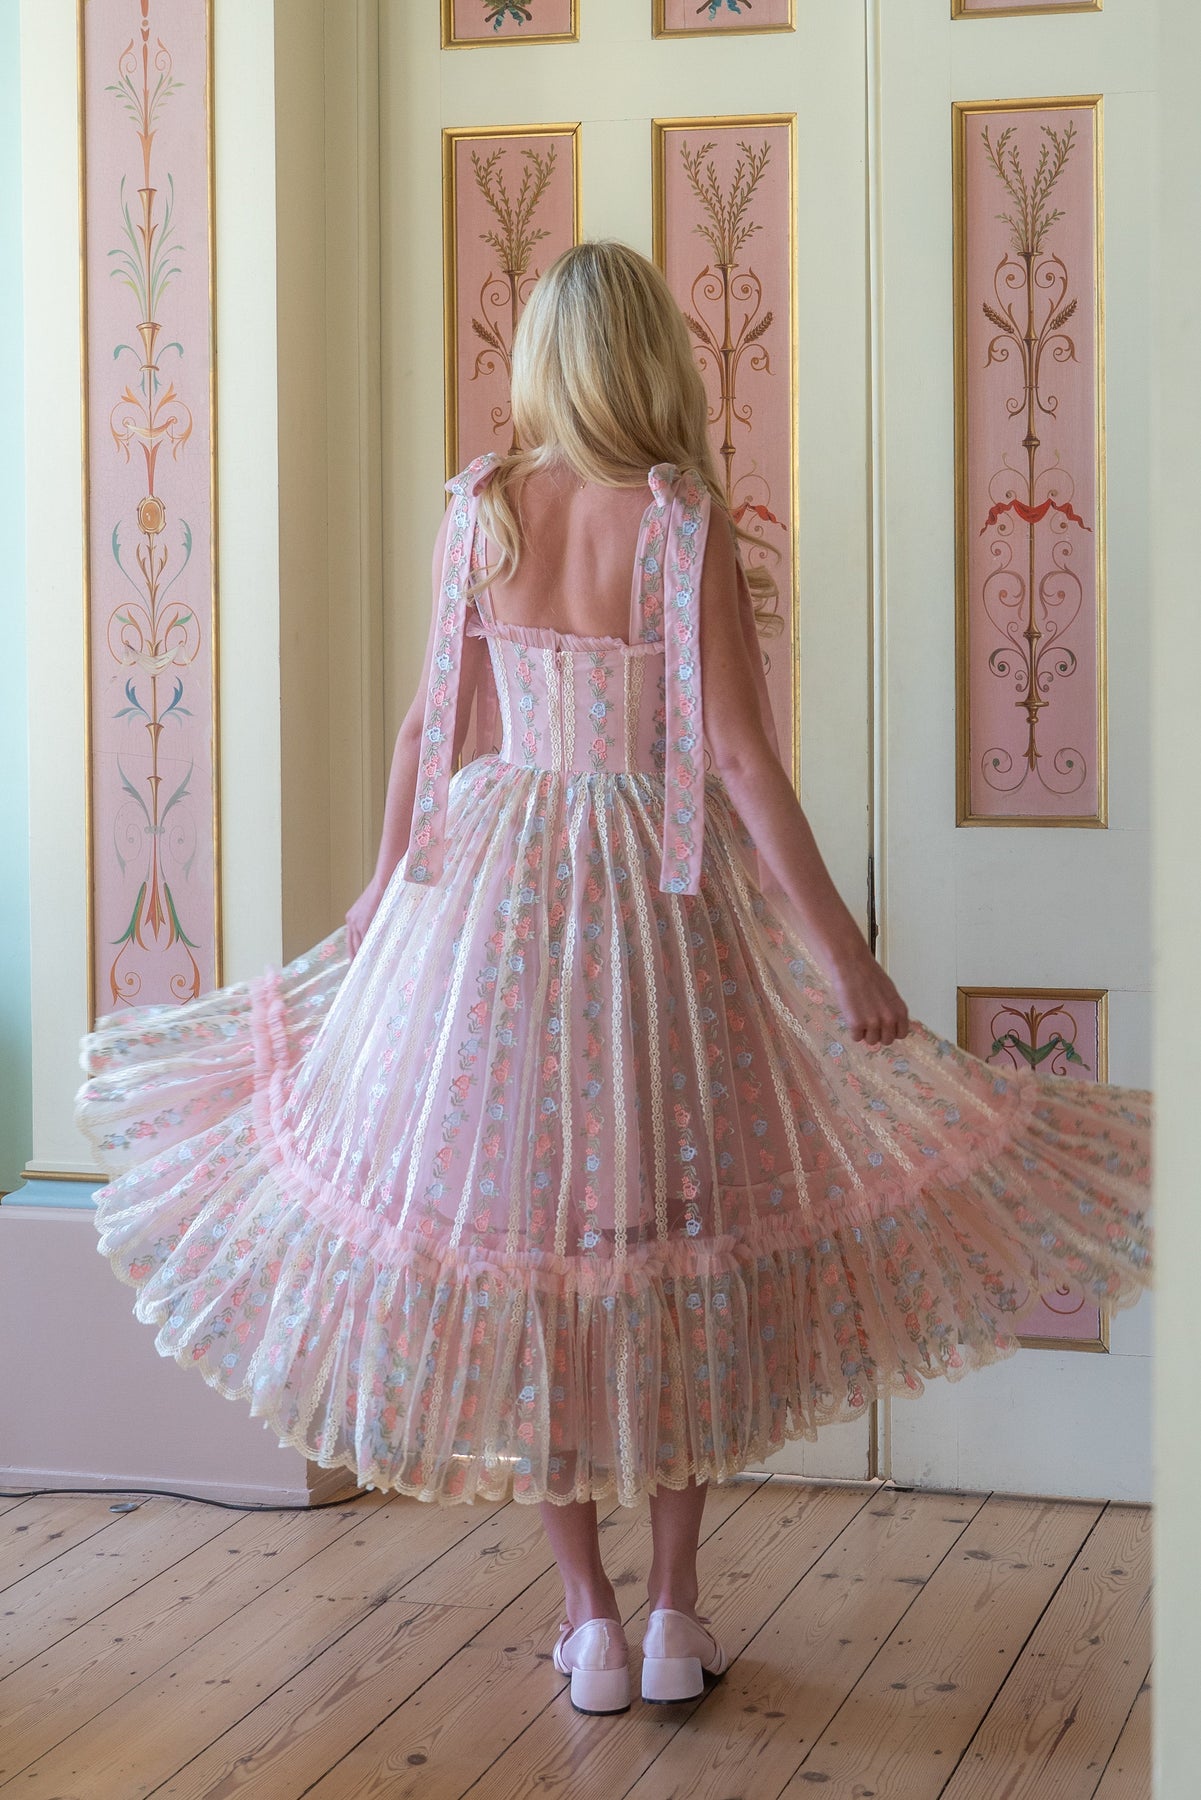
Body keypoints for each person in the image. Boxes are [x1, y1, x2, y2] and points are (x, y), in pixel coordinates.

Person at [75, 240, 1153, 1718]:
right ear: (650, 359)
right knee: (672, 1237)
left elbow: (430, 732)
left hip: (497, 899)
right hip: (657, 903)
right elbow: (737, 762)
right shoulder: (678, 523)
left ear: (541, 361)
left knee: (538, 1253)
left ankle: (585, 1620)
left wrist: (382, 895)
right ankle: (672, 1615)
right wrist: (844, 957)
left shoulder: (480, 508)